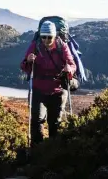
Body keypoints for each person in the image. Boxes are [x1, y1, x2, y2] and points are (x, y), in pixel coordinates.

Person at [20, 20, 76, 148]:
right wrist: (28, 61)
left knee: (55, 123)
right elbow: (24, 66)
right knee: (37, 121)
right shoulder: (35, 46)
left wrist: (69, 69)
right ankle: (37, 151)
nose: (46, 40)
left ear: (55, 36)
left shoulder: (62, 47)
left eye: (49, 37)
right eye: (43, 36)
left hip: (58, 90)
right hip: (38, 90)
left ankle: (53, 151)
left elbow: (73, 65)